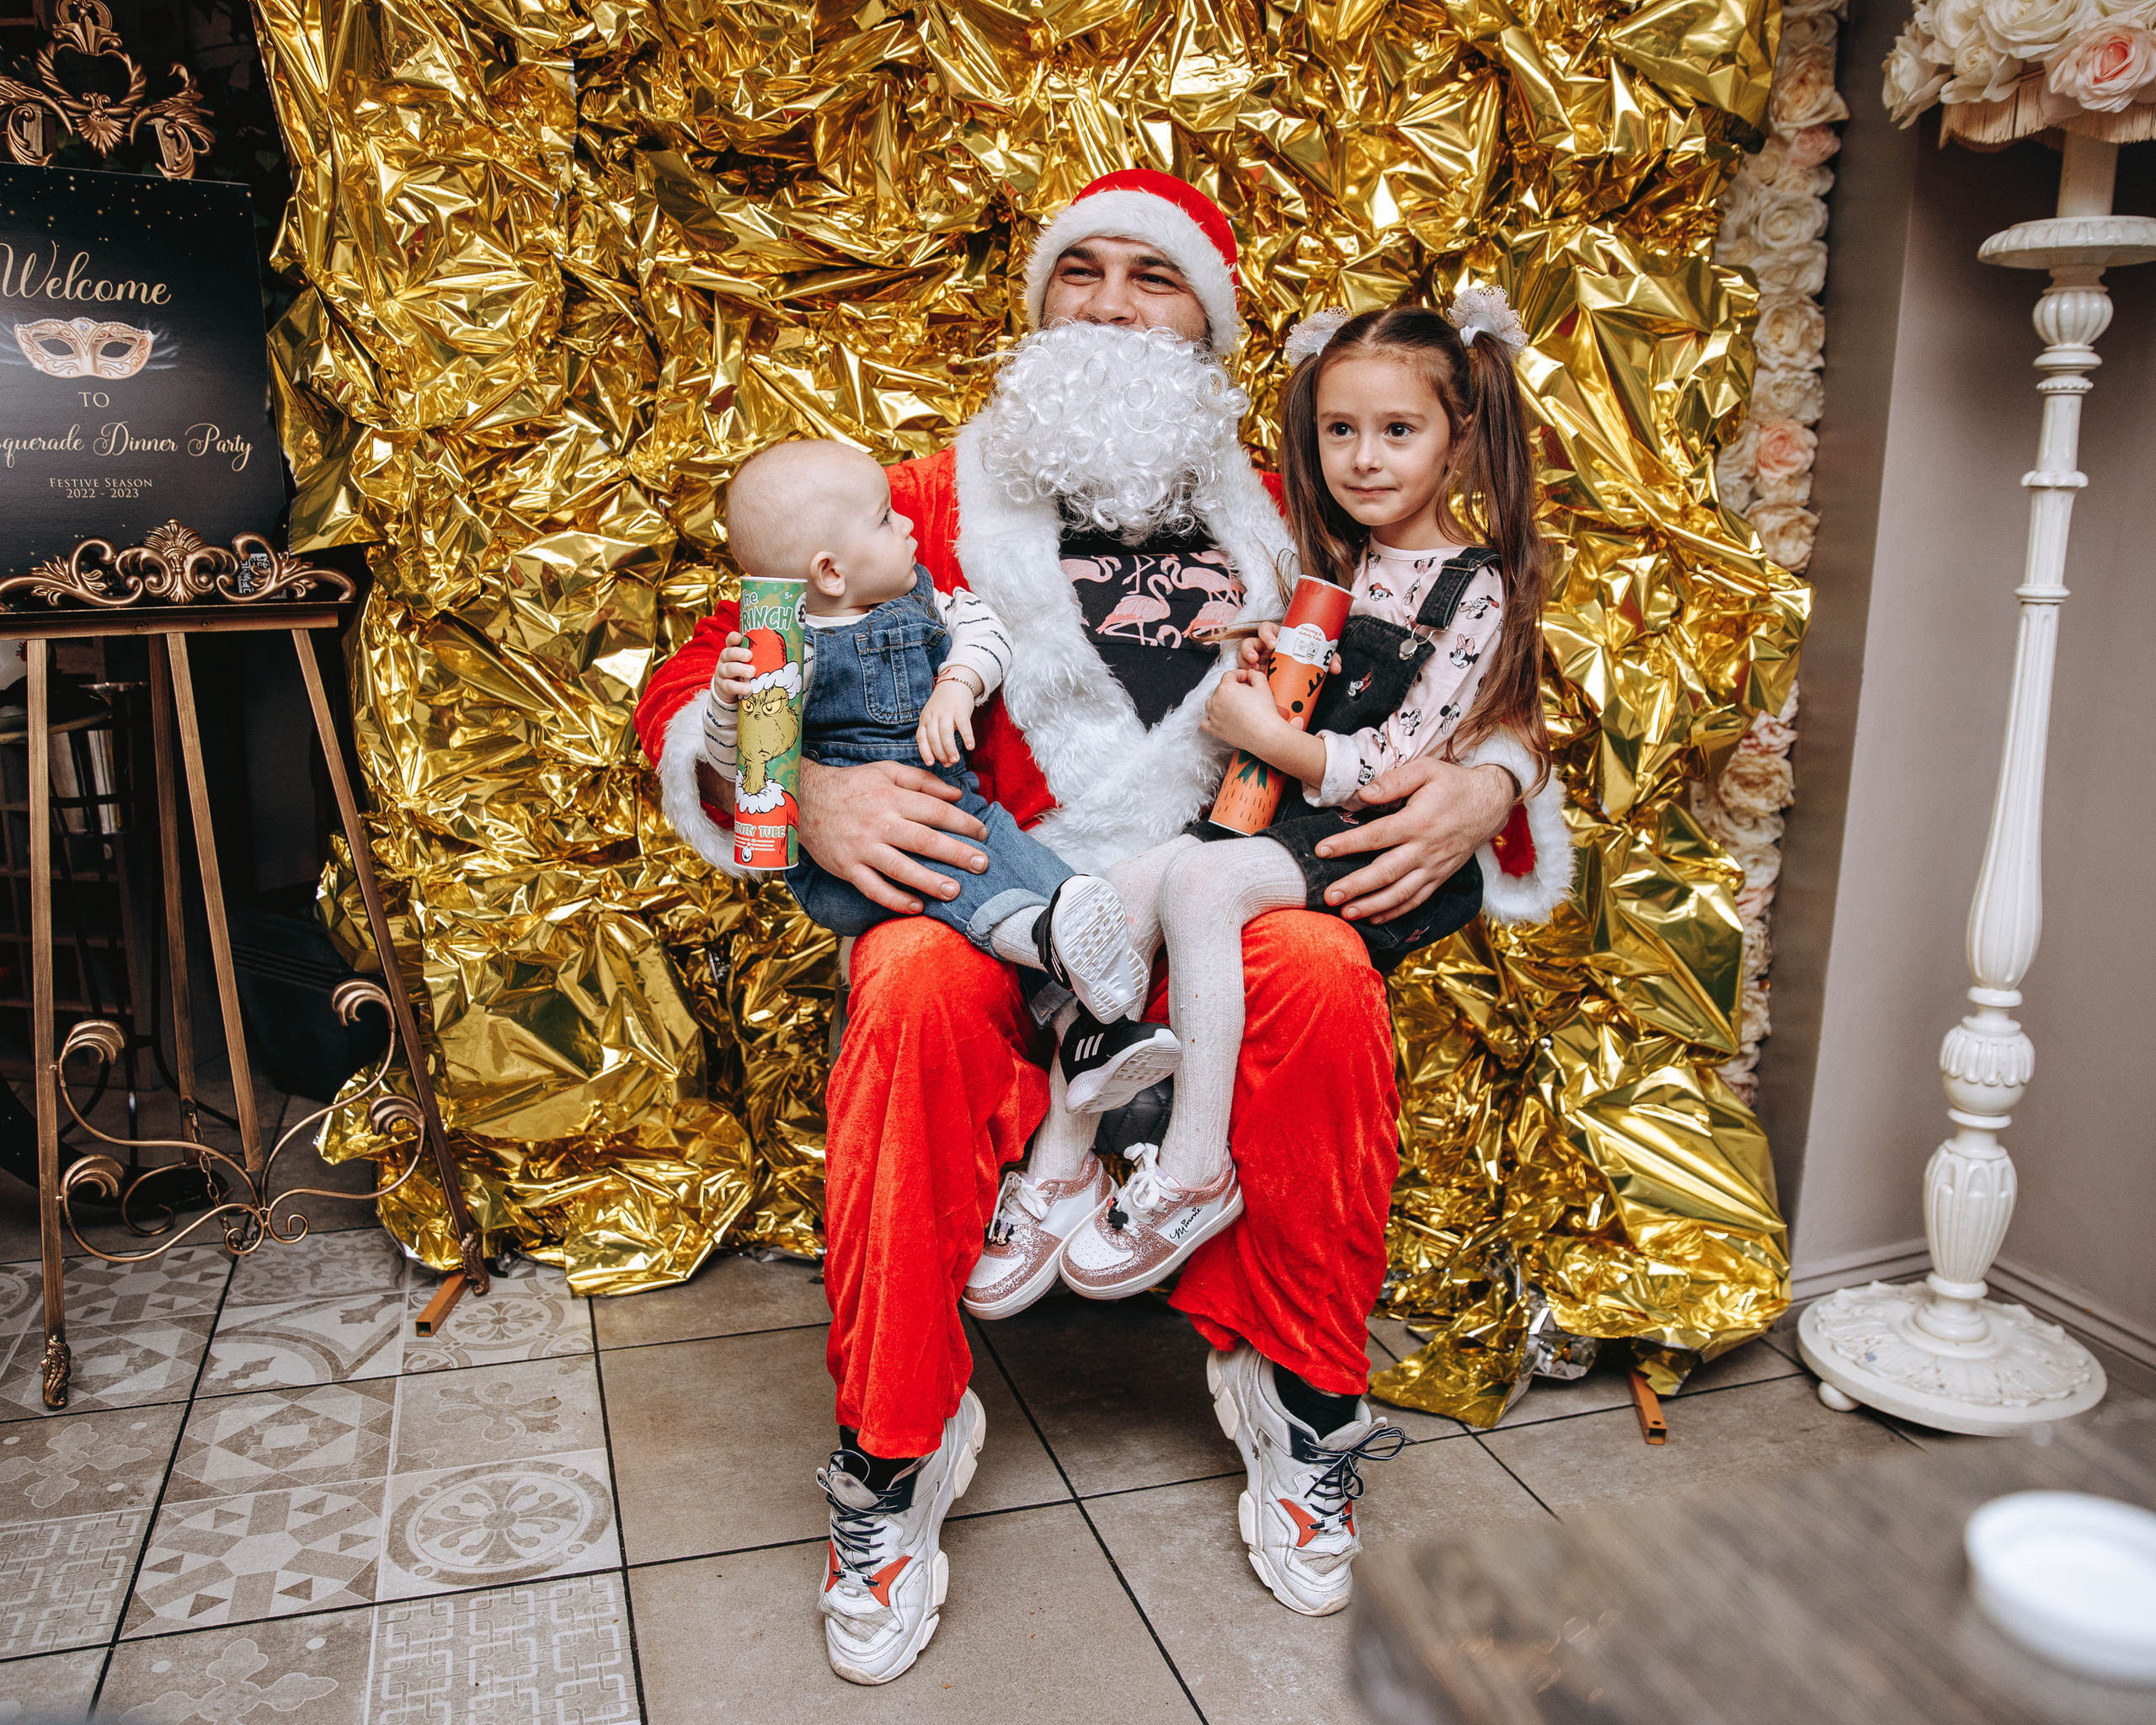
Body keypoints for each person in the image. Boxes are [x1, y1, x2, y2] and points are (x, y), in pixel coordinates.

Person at [632, 169, 1573, 1685]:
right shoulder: (924, 501)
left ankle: (1302, 1399)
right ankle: (895, 1445)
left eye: (1159, 278)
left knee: (1322, 974)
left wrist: (1491, 781)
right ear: (1040, 306)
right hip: (998, 898)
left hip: (1228, 880)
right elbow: (706, 671)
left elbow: (1469, 657)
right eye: (1087, 274)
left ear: (1213, 321)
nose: (1118, 308)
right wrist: (799, 786)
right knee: (910, 983)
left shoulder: (1294, 511)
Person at [1048, 292, 1568, 1300]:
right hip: (1303, 816)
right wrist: (1271, 651)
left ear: (1459, 442)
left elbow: (1400, 760)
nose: (1364, 459)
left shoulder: (1477, 587)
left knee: (1201, 887)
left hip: (1376, 839)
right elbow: (1335, 678)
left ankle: (1195, 1169)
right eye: (1341, 431)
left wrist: (1265, 735)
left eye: (1397, 431)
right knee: (1127, 888)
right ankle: (1056, 1163)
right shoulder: (1351, 561)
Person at [707, 438, 1158, 1028]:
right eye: (886, 519)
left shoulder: (921, 596)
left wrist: (959, 682)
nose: (907, 522)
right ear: (830, 571)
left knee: (1067, 893)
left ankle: (1090, 1031)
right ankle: (1043, 948)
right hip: (864, 865)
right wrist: (726, 703)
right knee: (970, 887)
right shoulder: (785, 649)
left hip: (962, 808)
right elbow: (738, 762)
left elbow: (986, 633)